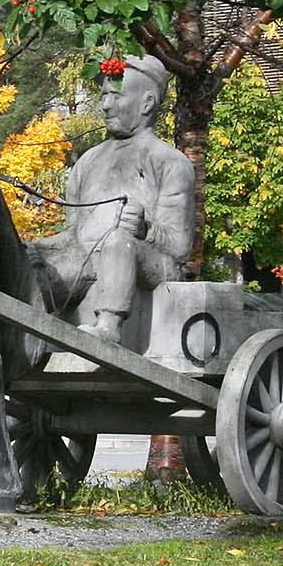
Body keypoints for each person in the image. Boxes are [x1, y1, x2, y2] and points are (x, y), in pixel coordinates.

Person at [32, 54, 196, 347]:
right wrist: (39, 249)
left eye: (115, 96)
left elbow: (180, 247)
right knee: (30, 258)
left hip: (151, 264)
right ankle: (17, 340)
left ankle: (108, 327)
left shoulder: (170, 162)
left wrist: (146, 230)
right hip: (87, 261)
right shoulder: (88, 161)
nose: (105, 105)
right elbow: (73, 235)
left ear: (147, 103)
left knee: (120, 242)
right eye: (104, 96)